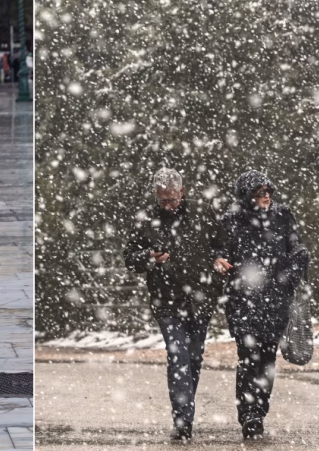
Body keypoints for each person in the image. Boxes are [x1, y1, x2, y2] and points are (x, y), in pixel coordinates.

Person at [123, 168, 224, 441]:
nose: (168, 206)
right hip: (166, 302)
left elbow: (221, 245)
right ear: (155, 196)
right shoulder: (146, 221)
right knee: (177, 357)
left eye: (172, 199)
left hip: (201, 299)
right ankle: (183, 421)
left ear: (182, 192)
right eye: (162, 200)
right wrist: (149, 257)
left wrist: (218, 260)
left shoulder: (203, 214)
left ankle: (184, 412)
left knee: (193, 359)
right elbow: (129, 258)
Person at [213, 170, 310, 439]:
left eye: (268, 191)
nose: (266, 197)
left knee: (267, 359)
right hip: (243, 300)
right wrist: (219, 261)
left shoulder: (283, 215)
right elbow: (217, 250)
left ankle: (260, 410)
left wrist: (289, 277)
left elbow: (297, 248)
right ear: (246, 196)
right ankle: (249, 414)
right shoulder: (232, 220)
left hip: (276, 300)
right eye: (259, 192)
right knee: (248, 357)